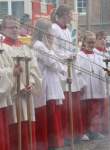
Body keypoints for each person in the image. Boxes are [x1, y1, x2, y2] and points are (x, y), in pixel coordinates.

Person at [1, 15, 42, 150]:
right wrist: (18, 87)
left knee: (27, 132)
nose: (14, 30)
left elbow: (34, 70)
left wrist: (30, 84)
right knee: (13, 131)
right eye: (11, 27)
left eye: (17, 27)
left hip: (27, 96)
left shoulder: (26, 49)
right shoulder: (2, 49)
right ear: (3, 29)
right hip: (12, 97)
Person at [51, 5, 83, 144]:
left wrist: (73, 54)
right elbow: (53, 50)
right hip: (60, 70)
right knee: (63, 105)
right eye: (71, 14)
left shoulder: (68, 30)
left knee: (72, 103)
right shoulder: (53, 29)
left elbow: (69, 48)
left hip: (70, 67)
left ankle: (72, 133)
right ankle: (63, 135)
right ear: (64, 14)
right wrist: (69, 55)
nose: (72, 17)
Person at [32, 18, 65, 149]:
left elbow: (56, 60)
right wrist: (61, 67)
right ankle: (47, 143)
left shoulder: (46, 45)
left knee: (53, 114)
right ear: (43, 32)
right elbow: (52, 63)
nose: (51, 34)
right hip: (45, 85)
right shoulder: (39, 45)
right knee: (47, 115)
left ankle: (54, 143)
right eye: (49, 31)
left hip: (52, 84)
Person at [77, 31, 106, 140]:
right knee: (85, 111)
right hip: (86, 88)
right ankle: (84, 131)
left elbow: (102, 69)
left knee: (96, 111)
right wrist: (81, 85)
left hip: (97, 87)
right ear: (83, 42)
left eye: (93, 42)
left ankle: (95, 131)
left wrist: (105, 76)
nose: (91, 44)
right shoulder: (79, 55)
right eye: (89, 42)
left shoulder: (98, 54)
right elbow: (77, 72)